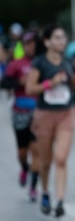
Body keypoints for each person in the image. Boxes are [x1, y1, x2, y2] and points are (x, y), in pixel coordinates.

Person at [25, 25, 75, 217]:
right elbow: (30, 88)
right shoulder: (39, 63)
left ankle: (60, 200)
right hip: (44, 116)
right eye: (57, 37)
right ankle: (45, 192)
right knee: (46, 162)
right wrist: (50, 83)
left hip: (65, 115)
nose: (61, 41)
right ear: (47, 41)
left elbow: (71, 86)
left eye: (63, 37)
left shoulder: (68, 61)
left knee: (61, 159)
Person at [0, 31, 41, 202]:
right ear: (23, 46)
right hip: (20, 111)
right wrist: (20, 83)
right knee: (22, 153)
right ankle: (24, 168)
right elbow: (4, 83)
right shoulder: (16, 64)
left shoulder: (42, 64)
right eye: (27, 43)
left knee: (37, 151)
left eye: (33, 43)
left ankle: (33, 186)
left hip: (39, 112)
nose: (30, 46)